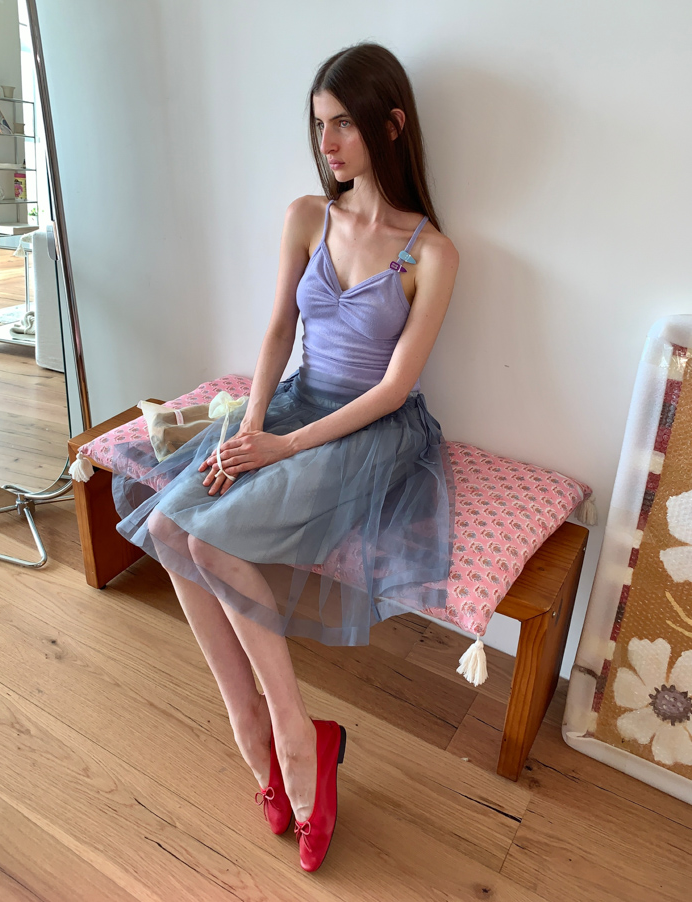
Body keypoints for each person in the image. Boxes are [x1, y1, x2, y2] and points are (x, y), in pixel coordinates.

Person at [113, 42, 458, 872]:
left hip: (369, 431)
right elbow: (277, 332)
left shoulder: (432, 254)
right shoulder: (309, 215)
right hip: (292, 404)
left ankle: (294, 735)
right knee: (168, 528)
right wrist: (251, 428)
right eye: (318, 125)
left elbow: (393, 389)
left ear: (391, 125)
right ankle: (253, 724)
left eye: (344, 124)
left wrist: (282, 448)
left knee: (210, 542)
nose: (326, 143)